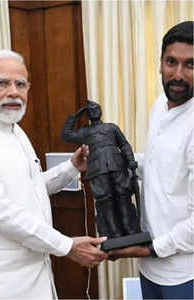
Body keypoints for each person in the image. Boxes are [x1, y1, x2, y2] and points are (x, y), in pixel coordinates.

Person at [0, 50, 108, 299]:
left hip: (39, 270)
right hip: (10, 280)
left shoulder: (17, 131)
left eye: (20, 84)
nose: (13, 91)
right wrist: (66, 246)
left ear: (28, 89)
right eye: (2, 83)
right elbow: (2, 211)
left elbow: (32, 188)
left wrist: (71, 167)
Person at [108, 21, 194, 299]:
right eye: (171, 62)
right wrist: (118, 160)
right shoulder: (160, 104)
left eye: (190, 65)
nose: (178, 74)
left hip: (184, 274)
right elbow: (160, 167)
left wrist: (152, 248)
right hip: (150, 267)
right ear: (160, 63)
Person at [61, 100, 140, 239]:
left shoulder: (112, 127)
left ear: (101, 110)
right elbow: (66, 135)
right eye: (90, 110)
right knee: (105, 201)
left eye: (96, 108)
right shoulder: (85, 132)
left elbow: (124, 145)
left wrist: (131, 160)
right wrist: (74, 117)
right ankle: (114, 233)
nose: (94, 111)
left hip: (117, 166)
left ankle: (130, 231)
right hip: (98, 170)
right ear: (87, 114)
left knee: (123, 196)